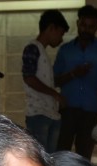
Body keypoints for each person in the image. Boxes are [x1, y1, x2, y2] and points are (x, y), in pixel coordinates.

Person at [53, 4, 97, 159]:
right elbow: (54, 80)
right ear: (78, 23)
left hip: (91, 111)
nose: (86, 30)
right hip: (67, 110)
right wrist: (73, 74)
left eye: (91, 27)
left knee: (84, 157)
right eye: (84, 25)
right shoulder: (65, 50)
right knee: (61, 153)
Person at [22, 9, 69, 153]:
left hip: (49, 112)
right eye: (60, 33)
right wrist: (55, 94)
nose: (60, 39)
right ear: (51, 28)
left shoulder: (42, 51)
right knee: (42, 159)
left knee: (49, 159)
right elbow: (29, 78)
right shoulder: (32, 48)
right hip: (38, 113)